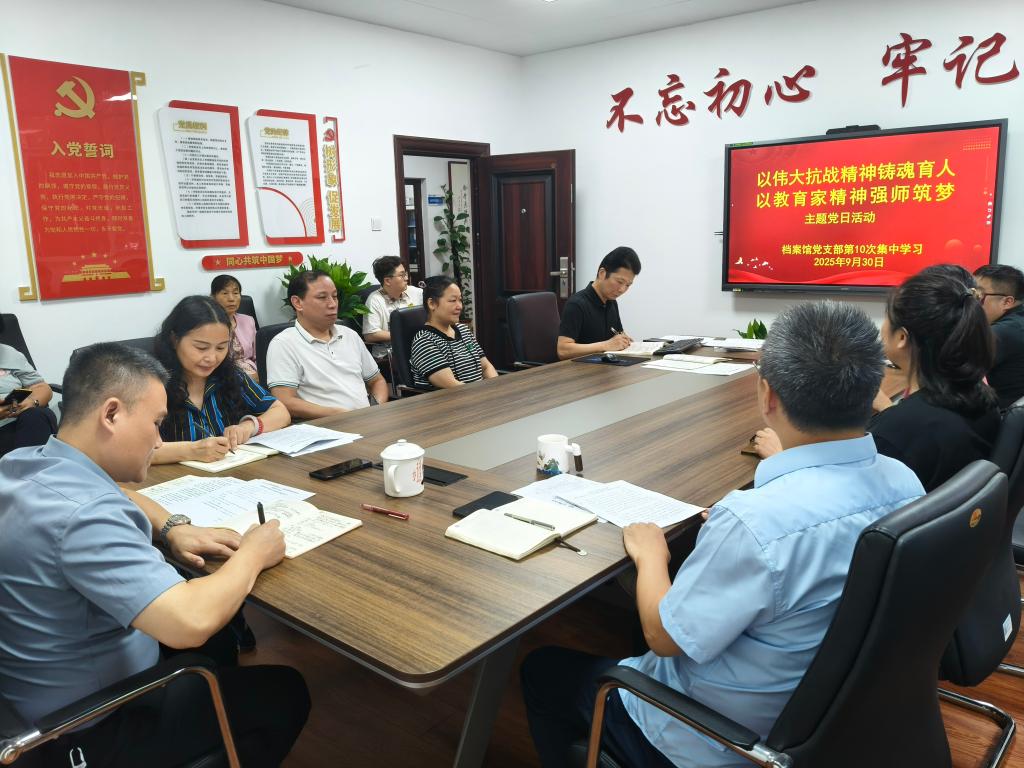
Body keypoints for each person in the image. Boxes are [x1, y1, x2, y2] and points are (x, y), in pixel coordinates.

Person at [521, 301, 924, 768]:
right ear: (874, 387)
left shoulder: (754, 523)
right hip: (828, 715)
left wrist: (652, 556)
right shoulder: (905, 481)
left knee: (541, 670)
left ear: (768, 395)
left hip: (714, 739)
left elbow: (663, 638)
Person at [0, 342, 309, 767]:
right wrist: (254, 553)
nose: (160, 440)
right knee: (284, 692)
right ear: (111, 414)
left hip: (28, 696)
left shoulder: (25, 462)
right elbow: (188, 622)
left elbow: (118, 492)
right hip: (84, 727)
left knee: (220, 641)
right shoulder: (84, 515)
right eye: (157, 423)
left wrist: (171, 527)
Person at [755, 271, 1000, 492]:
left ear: (902, 337)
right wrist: (888, 409)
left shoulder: (894, 433)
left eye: (886, 318)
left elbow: (838, 501)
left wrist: (781, 456)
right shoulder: (978, 395)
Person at [150, 295, 291, 465]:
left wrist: (248, 426)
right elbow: (132, 451)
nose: (212, 358)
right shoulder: (151, 383)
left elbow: (280, 411)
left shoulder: (229, 374)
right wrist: (190, 450)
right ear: (174, 340)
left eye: (221, 347)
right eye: (201, 347)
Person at [267, 269, 390, 417]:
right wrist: (340, 414)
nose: (332, 304)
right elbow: (285, 400)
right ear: (297, 303)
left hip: (366, 420)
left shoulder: (349, 335)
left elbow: (377, 381)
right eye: (322, 297)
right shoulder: (284, 344)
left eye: (335, 296)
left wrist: (375, 409)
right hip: (325, 425)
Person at [410, 276, 498, 389]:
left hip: (479, 395)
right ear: (432, 304)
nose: (459, 306)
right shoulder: (425, 341)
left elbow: (486, 367)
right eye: (452, 301)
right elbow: (454, 387)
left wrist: (496, 388)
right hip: (455, 398)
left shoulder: (463, 330)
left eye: (460, 300)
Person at [557, 246, 641, 360]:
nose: (622, 289)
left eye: (628, 285)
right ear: (602, 273)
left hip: (606, 366)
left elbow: (619, 334)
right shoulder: (576, 304)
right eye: (619, 282)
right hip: (581, 368)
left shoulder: (611, 302)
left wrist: (624, 341)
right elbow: (563, 350)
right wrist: (606, 345)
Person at [974, 264, 1024, 409]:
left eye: (978, 296)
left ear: (1007, 302)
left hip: (997, 414)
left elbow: (951, 366)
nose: (971, 302)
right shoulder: (1018, 322)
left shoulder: (1005, 331)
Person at [0, 342, 56, 457]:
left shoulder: (7, 352)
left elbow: (41, 387)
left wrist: (32, 402)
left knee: (38, 414)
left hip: (23, 421)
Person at [362, 255, 423, 357]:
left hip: (417, 349)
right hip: (389, 355)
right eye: (402, 275)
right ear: (387, 281)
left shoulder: (416, 292)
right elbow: (370, 334)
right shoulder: (374, 300)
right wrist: (404, 335)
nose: (406, 278)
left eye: (406, 274)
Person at [211, 273, 259, 380]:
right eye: (225, 293)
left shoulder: (248, 320)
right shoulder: (208, 325)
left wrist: (261, 374)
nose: (231, 298)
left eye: (236, 293)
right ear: (213, 298)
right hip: (225, 377)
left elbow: (258, 356)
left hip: (254, 374)